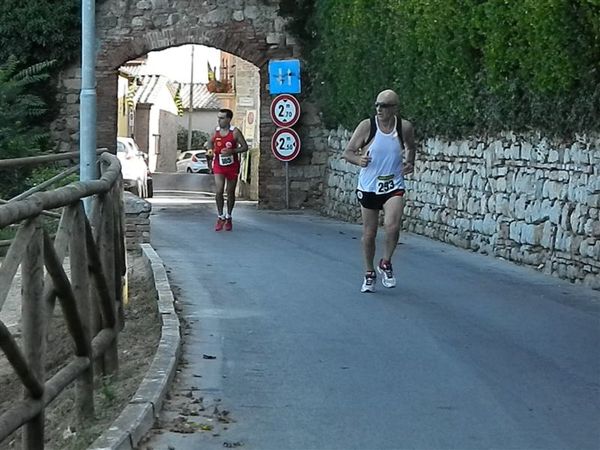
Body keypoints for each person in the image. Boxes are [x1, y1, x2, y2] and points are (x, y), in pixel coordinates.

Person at [342, 89, 416, 293]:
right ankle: (368, 272)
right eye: (377, 105)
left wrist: (410, 162)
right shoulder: (367, 126)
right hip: (369, 187)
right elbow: (347, 152)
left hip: (393, 185)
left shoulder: (404, 127)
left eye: (384, 106)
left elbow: (411, 146)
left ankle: (385, 262)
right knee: (369, 233)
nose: (379, 109)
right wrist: (359, 160)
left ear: (394, 108)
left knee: (392, 226)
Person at [207, 108, 249, 231]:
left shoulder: (235, 132)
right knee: (219, 191)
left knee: (230, 192)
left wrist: (232, 151)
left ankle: (229, 216)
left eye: (222, 118)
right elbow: (209, 142)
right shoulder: (216, 131)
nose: (219, 120)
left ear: (229, 119)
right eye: (218, 118)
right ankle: (220, 216)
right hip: (219, 164)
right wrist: (210, 150)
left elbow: (245, 147)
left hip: (232, 165)